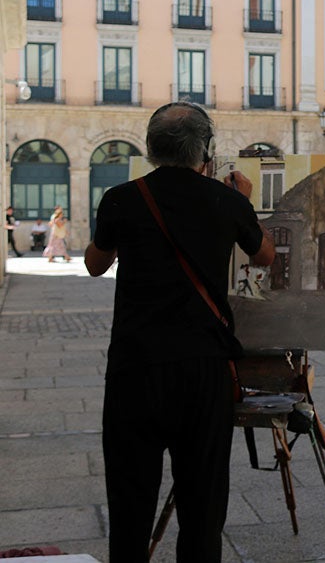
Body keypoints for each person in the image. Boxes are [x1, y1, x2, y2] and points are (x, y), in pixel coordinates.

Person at [85, 102, 276, 561]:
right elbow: (265, 256)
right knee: (202, 509)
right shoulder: (227, 201)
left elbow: (95, 264)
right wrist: (241, 204)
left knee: (130, 505)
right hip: (202, 369)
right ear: (206, 150)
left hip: (135, 369)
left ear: (151, 148)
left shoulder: (120, 199)